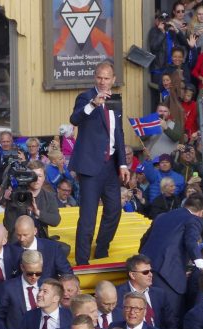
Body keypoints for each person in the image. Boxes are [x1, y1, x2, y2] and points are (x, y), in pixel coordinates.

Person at [69, 60, 130, 265]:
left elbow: (118, 132)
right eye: (99, 77)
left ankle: (102, 249)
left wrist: (123, 163)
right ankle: (82, 262)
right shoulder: (85, 97)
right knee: (88, 218)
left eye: (106, 78)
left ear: (113, 79)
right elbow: (75, 119)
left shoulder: (115, 100)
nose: (103, 82)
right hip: (90, 166)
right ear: (95, 77)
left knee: (114, 210)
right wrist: (93, 103)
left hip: (111, 166)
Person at [139, 193, 203, 329]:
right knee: (171, 320)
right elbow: (191, 242)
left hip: (145, 269)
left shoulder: (163, 216)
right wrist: (202, 266)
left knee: (150, 315)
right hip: (169, 276)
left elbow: (144, 240)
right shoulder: (194, 219)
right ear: (201, 211)